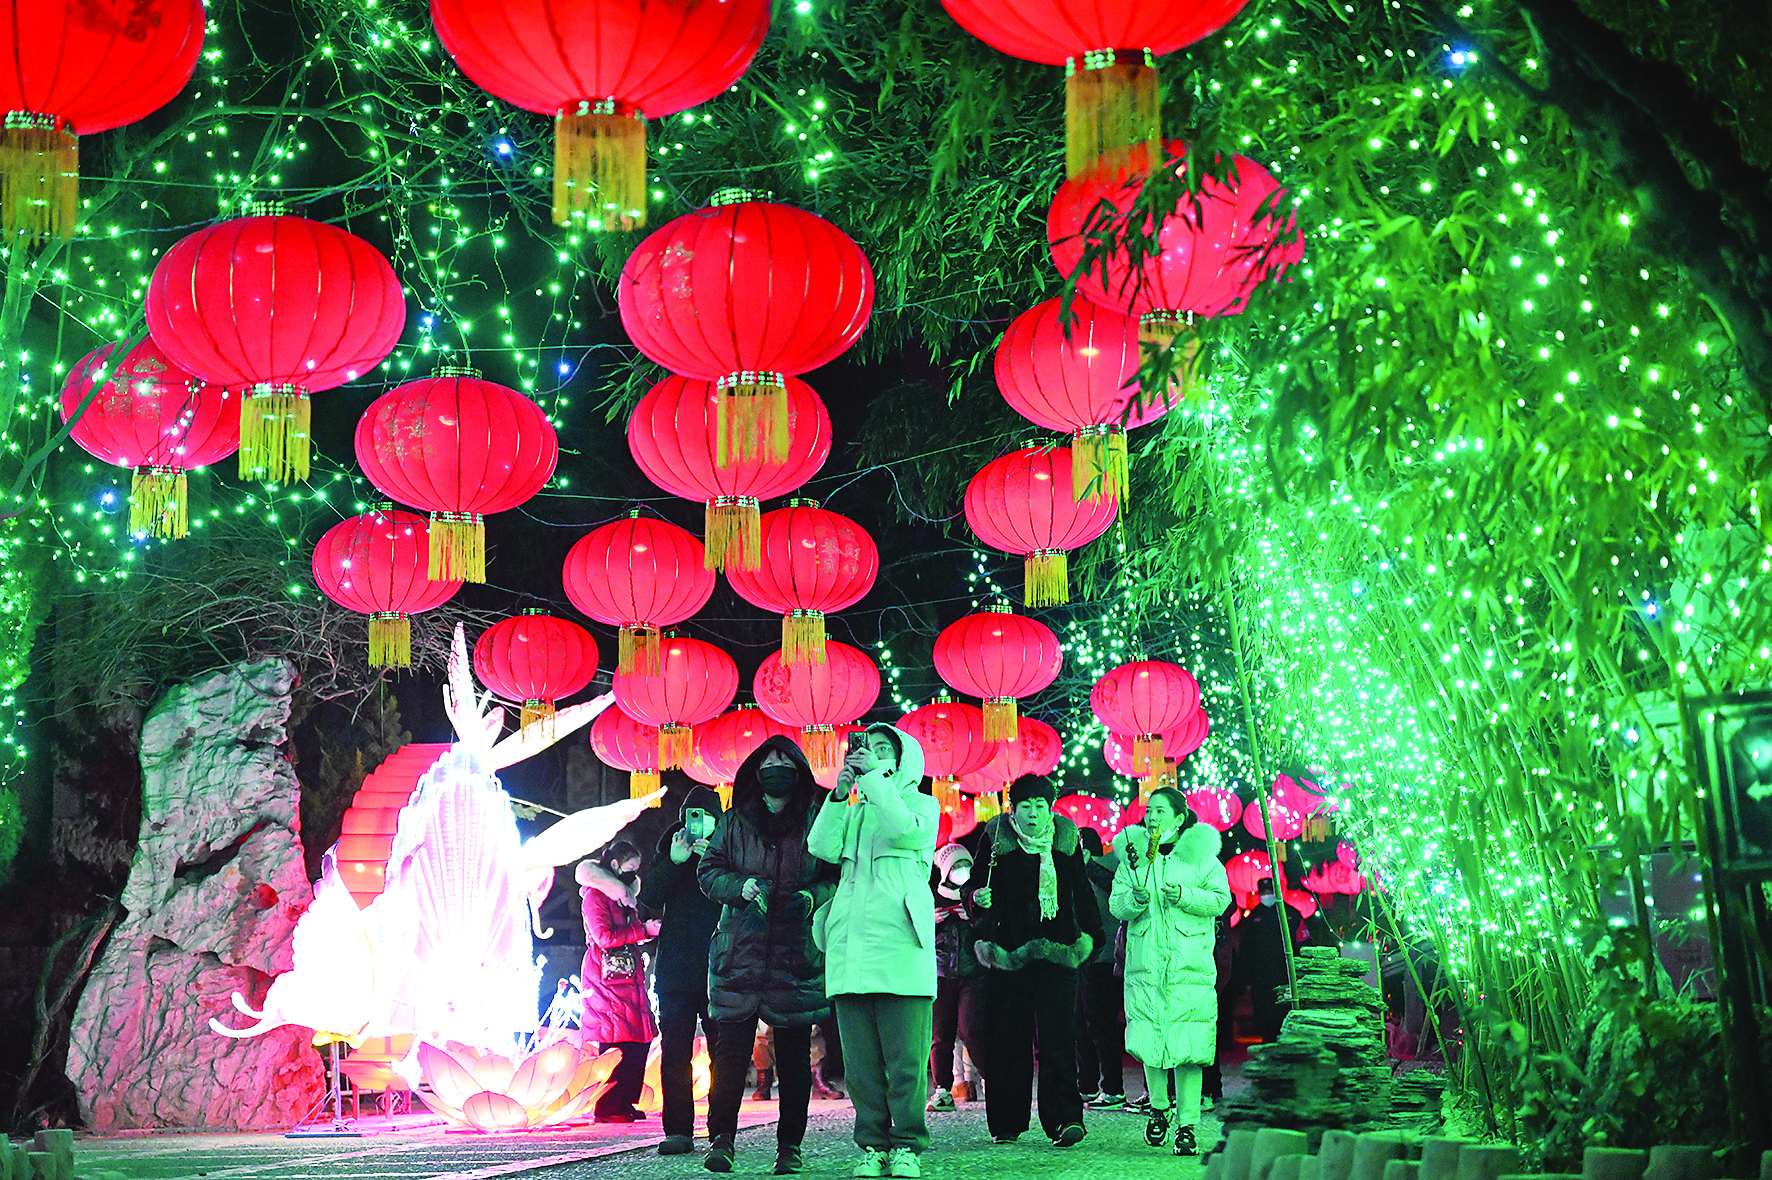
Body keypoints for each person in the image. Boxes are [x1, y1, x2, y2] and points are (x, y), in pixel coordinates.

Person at [698, 736, 838, 1175]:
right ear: (756, 773)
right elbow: (709, 870)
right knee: (730, 1056)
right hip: (740, 951)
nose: (777, 769)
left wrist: (810, 898)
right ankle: (721, 1140)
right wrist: (739, 887)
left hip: (795, 954)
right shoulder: (734, 821)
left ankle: (790, 1147)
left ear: (798, 771)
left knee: (794, 1058)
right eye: (769, 763)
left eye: (785, 762)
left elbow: (835, 875)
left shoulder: (816, 820)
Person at [808, 724, 939, 1180]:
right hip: (851, 951)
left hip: (901, 949)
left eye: (885, 749)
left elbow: (904, 831)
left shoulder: (922, 804)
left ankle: (907, 1146)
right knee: (860, 1066)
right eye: (869, 748)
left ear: (903, 761)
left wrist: (875, 782)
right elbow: (820, 846)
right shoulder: (856, 809)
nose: (874, 755)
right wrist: (838, 794)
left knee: (905, 1063)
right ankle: (872, 1146)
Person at [968, 773, 1104, 1148]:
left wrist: (1092, 937)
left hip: (1058, 953)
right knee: (1008, 1039)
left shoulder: (1065, 837)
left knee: (1059, 1039)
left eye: (1039, 806)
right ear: (1013, 809)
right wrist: (975, 898)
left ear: (1050, 808)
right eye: (1025, 806)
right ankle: (1007, 1121)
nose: (1032, 813)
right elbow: (975, 883)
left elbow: (1079, 890)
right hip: (1009, 954)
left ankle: (1064, 1120)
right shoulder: (997, 837)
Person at [1111, 787, 1231, 1156]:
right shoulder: (1134, 859)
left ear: (1179, 818)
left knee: (1189, 1047)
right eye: (1149, 810)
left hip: (1188, 967)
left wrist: (1185, 896)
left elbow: (1221, 899)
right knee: (1150, 1039)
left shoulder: (1201, 858)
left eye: (1160, 811)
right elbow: (1117, 905)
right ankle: (1159, 1108)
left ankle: (1188, 1124)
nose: (1152, 817)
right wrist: (1134, 901)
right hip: (1146, 966)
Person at [638, 785, 726, 1155]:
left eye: (705, 816)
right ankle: (677, 1130)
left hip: (719, 967)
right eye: (692, 816)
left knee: (724, 1052)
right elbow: (648, 900)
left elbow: (739, 896)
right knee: (675, 1052)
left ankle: (722, 1130)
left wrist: (714, 862)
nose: (698, 823)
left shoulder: (728, 849)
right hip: (675, 970)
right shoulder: (670, 851)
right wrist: (674, 862)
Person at [578, 840, 662, 1123]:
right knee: (616, 1039)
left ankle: (624, 1100)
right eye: (630, 867)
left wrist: (645, 931)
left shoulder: (624, 896)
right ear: (614, 865)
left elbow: (630, 931)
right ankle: (608, 1105)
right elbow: (603, 937)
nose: (634, 873)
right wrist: (642, 930)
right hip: (606, 977)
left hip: (627, 974)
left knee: (637, 1037)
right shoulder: (595, 896)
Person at [928, 842, 984, 1113]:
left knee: (971, 1029)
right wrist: (933, 921)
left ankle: (987, 1077)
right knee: (940, 1035)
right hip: (941, 972)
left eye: (966, 865)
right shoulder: (931, 897)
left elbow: (992, 927)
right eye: (956, 866)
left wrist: (973, 917)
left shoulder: (977, 895)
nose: (962, 871)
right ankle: (943, 1089)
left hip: (972, 972)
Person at [1073, 827, 1126, 1110]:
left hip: (1105, 958)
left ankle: (1113, 1088)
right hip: (1085, 958)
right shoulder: (1076, 871)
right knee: (1082, 1024)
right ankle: (1087, 1085)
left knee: (1100, 1025)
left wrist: (1088, 865)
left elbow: (1116, 889)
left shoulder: (1112, 865)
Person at [1234, 876, 1299, 1042]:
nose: (1267, 895)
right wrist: (1246, 977)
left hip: (1285, 974)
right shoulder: (1253, 917)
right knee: (1264, 1011)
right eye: (1264, 893)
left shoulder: (1291, 914)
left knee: (1285, 1010)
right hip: (1261, 976)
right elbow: (1245, 949)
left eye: (1270, 891)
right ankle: (1267, 1039)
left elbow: (1302, 942)